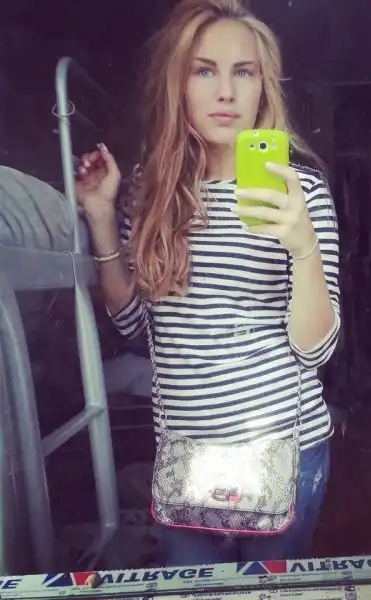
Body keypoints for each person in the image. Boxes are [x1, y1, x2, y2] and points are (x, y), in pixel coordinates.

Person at [74, 0, 340, 566]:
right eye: (204, 70)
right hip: (188, 456)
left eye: (243, 72)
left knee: (270, 593)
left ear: (263, 87)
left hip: (285, 450)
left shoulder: (301, 193)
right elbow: (134, 324)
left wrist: (303, 246)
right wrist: (100, 217)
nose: (225, 91)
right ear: (179, 84)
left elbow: (316, 349)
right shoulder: (150, 193)